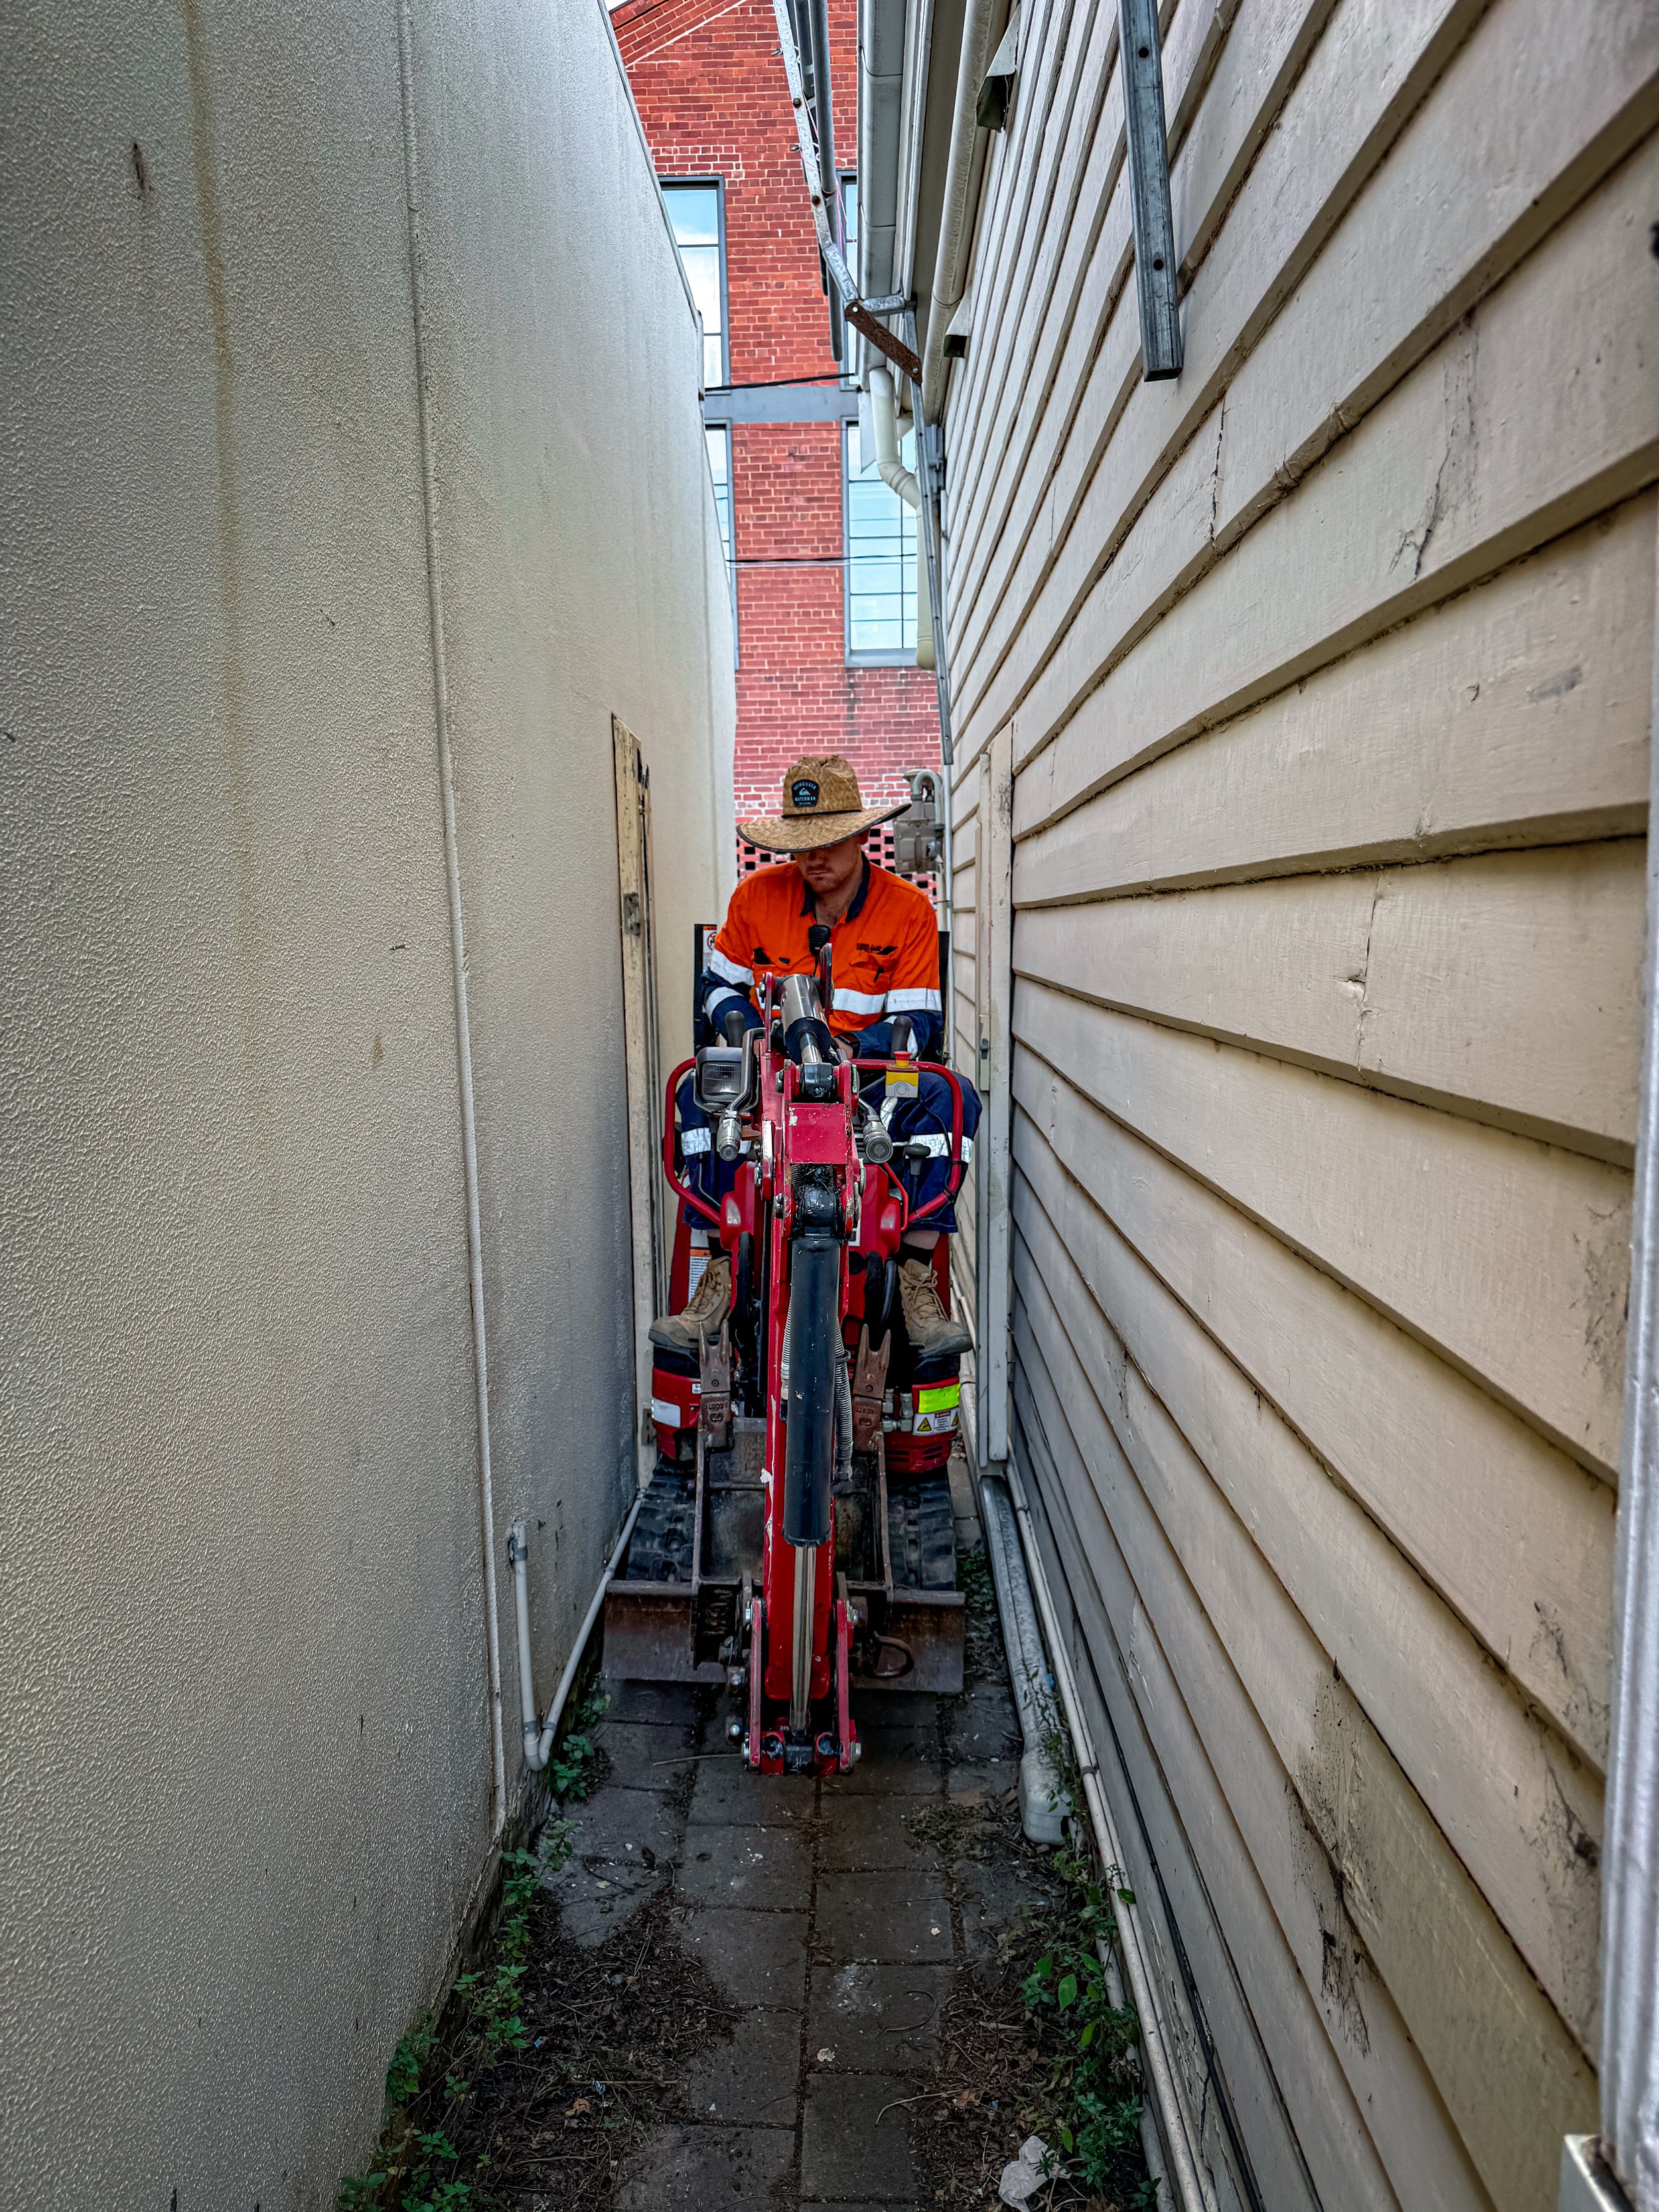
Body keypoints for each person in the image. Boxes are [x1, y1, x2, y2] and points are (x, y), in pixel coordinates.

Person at [651, 753, 978, 1359]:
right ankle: (718, 1275)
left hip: (869, 1079)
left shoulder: (908, 910)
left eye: (827, 841)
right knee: (696, 1087)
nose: (813, 857)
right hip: (769, 1072)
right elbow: (717, 985)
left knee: (949, 1096)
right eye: (801, 843)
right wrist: (744, 1028)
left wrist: (854, 1046)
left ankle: (912, 1276)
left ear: (860, 835)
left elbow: (920, 1022)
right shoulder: (755, 899)